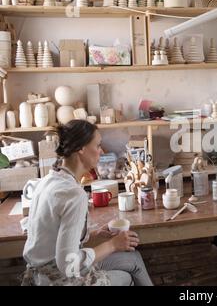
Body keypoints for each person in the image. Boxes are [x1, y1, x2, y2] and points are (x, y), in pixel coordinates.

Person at [22, 120, 152, 286]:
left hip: (41, 274)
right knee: (125, 277)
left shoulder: (48, 180)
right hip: (57, 279)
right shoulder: (73, 194)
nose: (101, 151)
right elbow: (68, 265)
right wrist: (112, 245)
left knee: (133, 258)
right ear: (81, 149)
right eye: (97, 146)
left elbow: (54, 238)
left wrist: (93, 235)